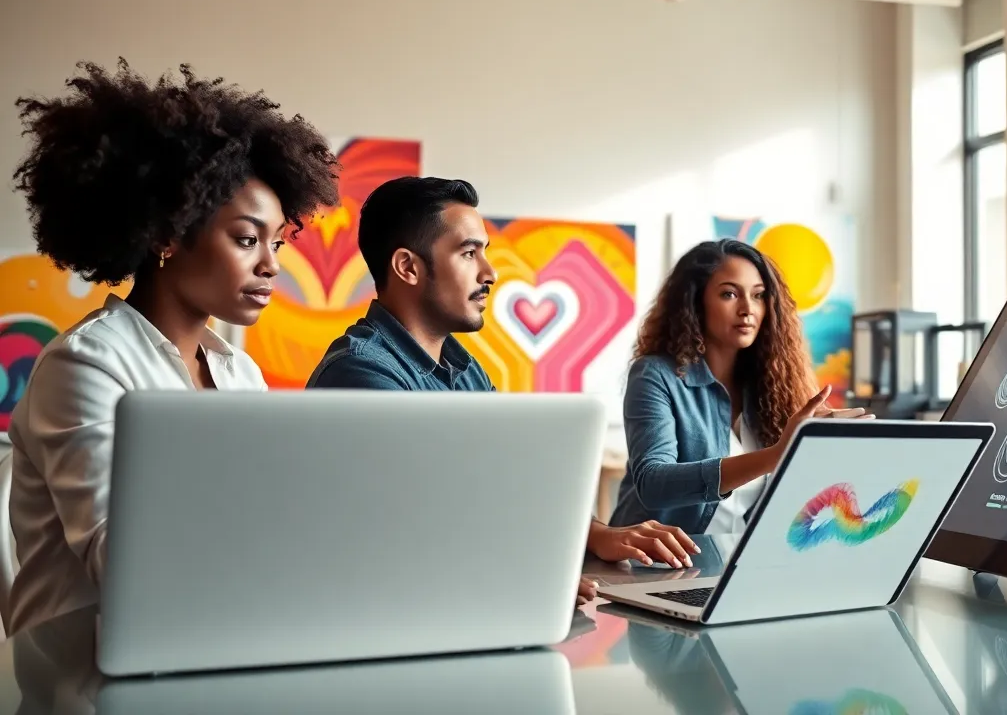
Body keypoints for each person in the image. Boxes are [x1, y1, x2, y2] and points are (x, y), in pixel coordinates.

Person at [5, 59, 340, 635]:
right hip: (82, 661)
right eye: (247, 239)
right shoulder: (85, 365)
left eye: (278, 243)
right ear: (166, 235)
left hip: (210, 634)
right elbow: (124, 566)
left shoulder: (239, 373)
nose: (271, 265)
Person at [306, 176, 699, 602]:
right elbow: (415, 525)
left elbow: (509, 482)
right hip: (388, 605)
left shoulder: (464, 369)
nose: (490, 272)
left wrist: (597, 534)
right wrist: (519, 578)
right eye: (468, 253)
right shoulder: (361, 374)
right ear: (408, 267)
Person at [611, 239, 870, 535]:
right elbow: (654, 484)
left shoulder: (773, 386)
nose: (748, 309)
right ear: (694, 303)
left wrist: (824, 449)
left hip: (731, 555)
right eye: (729, 294)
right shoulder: (655, 374)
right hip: (650, 557)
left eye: (758, 295)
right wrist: (776, 454)